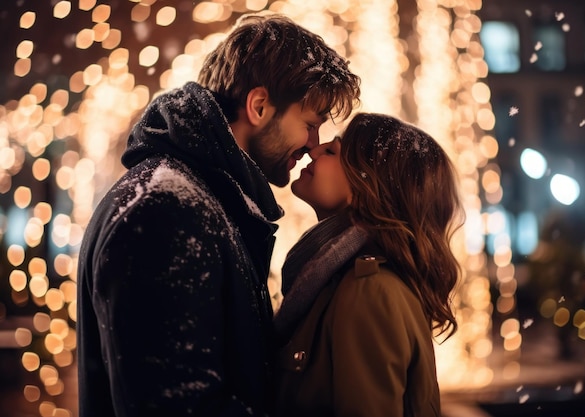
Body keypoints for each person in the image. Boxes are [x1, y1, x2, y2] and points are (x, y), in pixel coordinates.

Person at [77, 13, 360, 417]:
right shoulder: (167, 210)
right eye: (309, 124)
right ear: (259, 106)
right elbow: (179, 406)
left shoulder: (202, 199)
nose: (313, 145)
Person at [274, 113, 464, 417]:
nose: (313, 149)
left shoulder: (369, 291)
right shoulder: (346, 280)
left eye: (333, 151)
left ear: (366, 186)